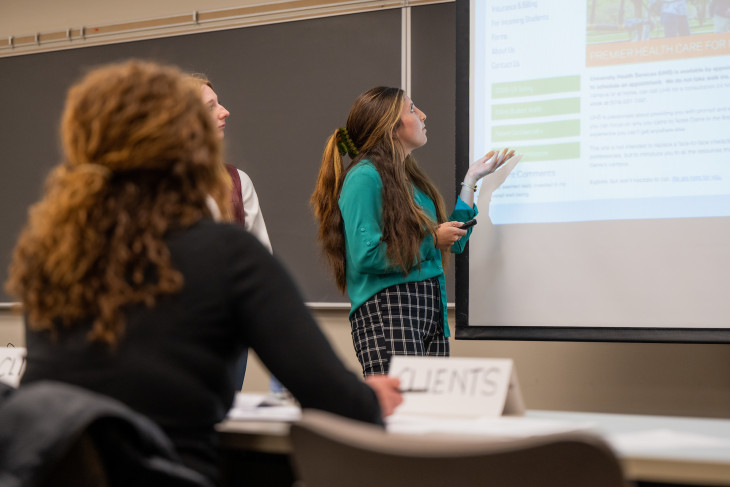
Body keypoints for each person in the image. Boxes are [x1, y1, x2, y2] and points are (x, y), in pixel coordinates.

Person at [6, 60, 401, 484]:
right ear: (188, 140)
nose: (224, 113)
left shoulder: (53, 259)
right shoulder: (226, 254)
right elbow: (335, 402)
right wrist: (367, 396)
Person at [310, 86, 520, 377]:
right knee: (402, 415)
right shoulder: (364, 176)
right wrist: (433, 239)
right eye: (411, 109)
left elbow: (452, 243)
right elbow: (366, 255)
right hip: (389, 310)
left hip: (428, 308)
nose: (422, 115)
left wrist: (471, 180)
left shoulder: (411, 180)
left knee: (426, 412)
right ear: (389, 126)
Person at [189, 73, 271, 390]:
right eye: (211, 106)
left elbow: (262, 266)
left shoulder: (237, 183)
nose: (225, 112)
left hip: (228, 337)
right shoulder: (149, 189)